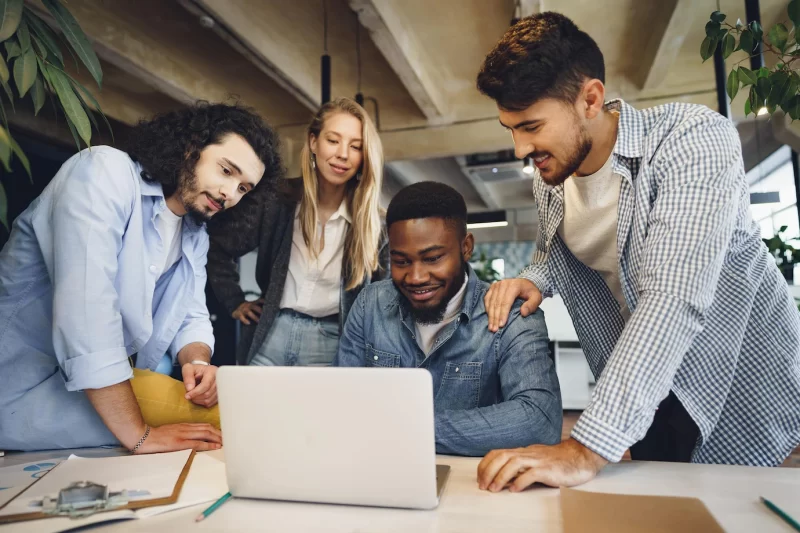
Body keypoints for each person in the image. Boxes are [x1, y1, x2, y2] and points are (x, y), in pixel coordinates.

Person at [473, 12, 800, 491]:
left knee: (734, 501)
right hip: (640, 373)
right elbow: (556, 252)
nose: (521, 147)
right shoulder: (554, 175)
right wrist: (535, 279)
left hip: (726, 370)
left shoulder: (691, 140)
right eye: (511, 129)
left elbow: (672, 296)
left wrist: (585, 448)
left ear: (590, 98)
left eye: (532, 126)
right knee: (664, 501)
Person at [0, 103, 282, 452]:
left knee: (240, 411)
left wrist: (197, 362)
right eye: (226, 170)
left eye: (243, 188)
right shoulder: (104, 172)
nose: (229, 193)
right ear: (191, 148)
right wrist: (140, 435)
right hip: (20, 388)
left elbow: (191, 315)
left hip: (94, 389)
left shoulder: (194, 232)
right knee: (243, 418)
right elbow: (87, 314)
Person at [334, 181, 561, 456]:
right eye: (402, 261)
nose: (416, 277)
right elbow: (343, 401)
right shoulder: (370, 305)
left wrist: (407, 428)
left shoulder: (513, 316)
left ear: (466, 247)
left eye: (432, 259)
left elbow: (540, 421)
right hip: (380, 469)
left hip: (475, 486)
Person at [207, 97, 387, 367]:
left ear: (364, 156)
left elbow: (387, 296)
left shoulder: (375, 223)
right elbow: (217, 248)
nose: (343, 154)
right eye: (333, 140)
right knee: (252, 409)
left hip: (331, 342)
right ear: (313, 142)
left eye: (356, 146)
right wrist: (234, 300)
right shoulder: (277, 200)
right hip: (270, 333)